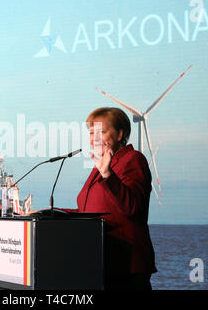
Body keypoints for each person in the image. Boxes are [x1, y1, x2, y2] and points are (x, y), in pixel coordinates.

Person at [77, 107, 157, 290]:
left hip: (126, 265)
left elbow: (132, 206)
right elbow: (88, 211)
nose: (95, 138)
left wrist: (107, 174)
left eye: (102, 132)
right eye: (91, 133)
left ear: (120, 133)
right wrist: (49, 214)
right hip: (102, 261)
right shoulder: (102, 166)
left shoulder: (133, 159)